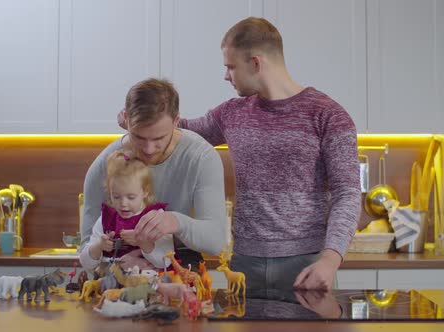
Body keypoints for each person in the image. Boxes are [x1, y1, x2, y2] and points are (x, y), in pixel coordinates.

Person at [119, 18, 361, 289]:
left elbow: (348, 193)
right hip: (245, 263)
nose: (226, 75)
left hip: (308, 263)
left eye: (230, 66)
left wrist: (330, 260)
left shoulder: (328, 115)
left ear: (255, 63)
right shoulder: (232, 113)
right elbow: (179, 128)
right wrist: (136, 122)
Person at [81, 78, 227, 269]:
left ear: (176, 121)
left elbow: (215, 242)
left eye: (159, 138)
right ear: (125, 119)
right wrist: (119, 266)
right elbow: (86, 247)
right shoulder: (104, 166)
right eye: (139, 137)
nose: (149, 149)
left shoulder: (201, 158)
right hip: (118, 272)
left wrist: (176, 222)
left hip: (181, 267)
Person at [79, 150, 174, 271]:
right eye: (116, 197)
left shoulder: (156, 218)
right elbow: (86, 263)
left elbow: (166, 261)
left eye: (131, 197)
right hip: (111, 287)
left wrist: (143, 243)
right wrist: (98, 246)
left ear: (145, 191)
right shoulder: (106, 219)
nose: (123, 204)